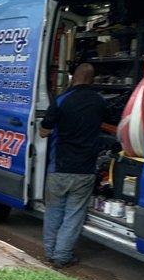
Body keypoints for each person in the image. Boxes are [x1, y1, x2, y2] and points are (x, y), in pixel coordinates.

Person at [40, 63, 107, 268]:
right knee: (73, 215)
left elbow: (43, 131)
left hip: (58, 167)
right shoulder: (100, 101)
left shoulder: (61, 100)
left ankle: (51, 253)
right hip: (84, 170)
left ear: (72, 78)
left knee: (53, 211)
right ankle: (62, 256)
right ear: (92, 80)